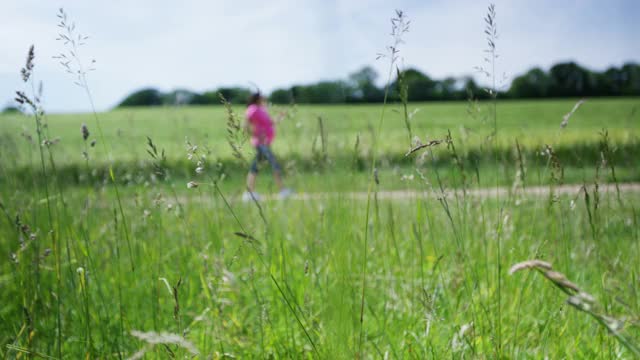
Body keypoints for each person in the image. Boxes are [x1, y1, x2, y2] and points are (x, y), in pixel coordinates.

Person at [242, 92, 292, 201]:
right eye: (262, 98)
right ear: (257, 99)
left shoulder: (262, 110)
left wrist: (281, 116)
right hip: (261, 143)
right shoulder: (253, 109)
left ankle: (249, 193)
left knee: (255, 168)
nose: (265, 100)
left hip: (265, 143)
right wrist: (254, 134)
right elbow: (245, 123)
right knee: (275, 164)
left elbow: (271, 123)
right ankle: (282, 190)